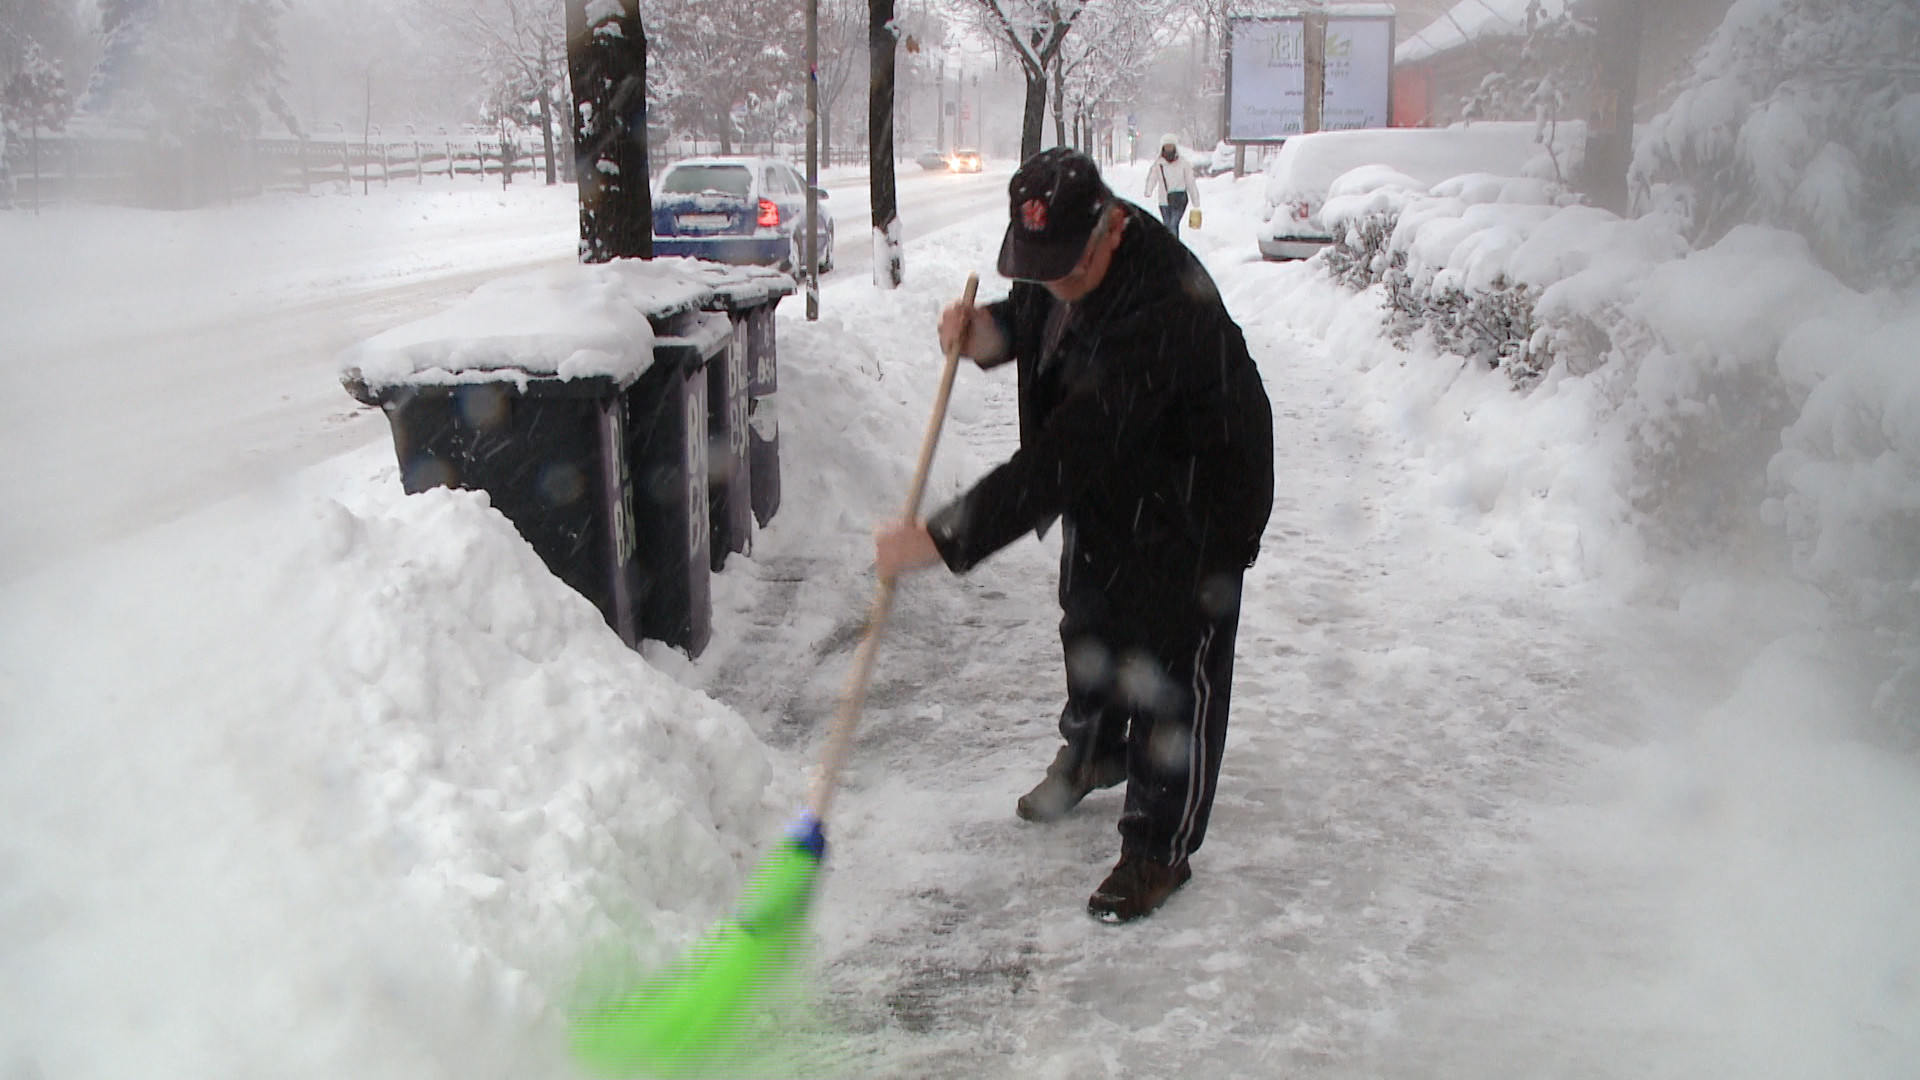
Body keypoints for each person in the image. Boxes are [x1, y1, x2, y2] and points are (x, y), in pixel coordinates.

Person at [875, 148, 1273, 924]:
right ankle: (1098, 748)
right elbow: (1035, 319)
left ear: (1113, 229)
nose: (1050, 281)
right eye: (1038, 266)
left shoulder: (1160, 309)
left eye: (1065, 268)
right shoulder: (1063, 257)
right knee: (1089, 609)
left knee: (1169, 659)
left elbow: (1058, 462)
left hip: (1200, 493)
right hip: (1118, 471)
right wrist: (983, 331)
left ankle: (1158, 849)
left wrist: (941, 540)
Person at [1143, 134, 1200, 239]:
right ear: (1162, 148)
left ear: (1175, 147)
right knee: (1167, 225)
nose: (1169, 149)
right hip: (1164, 201)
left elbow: (1190, 182)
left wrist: (1195, 200)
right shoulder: (1159, 164)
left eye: (1171, 146)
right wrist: (1148, 190)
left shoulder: (1184, 163)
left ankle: (1173, 249)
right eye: (1166, 146)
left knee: (1173, 224)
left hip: (1179, 199)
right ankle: (1170, 247)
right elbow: (1152, 178)